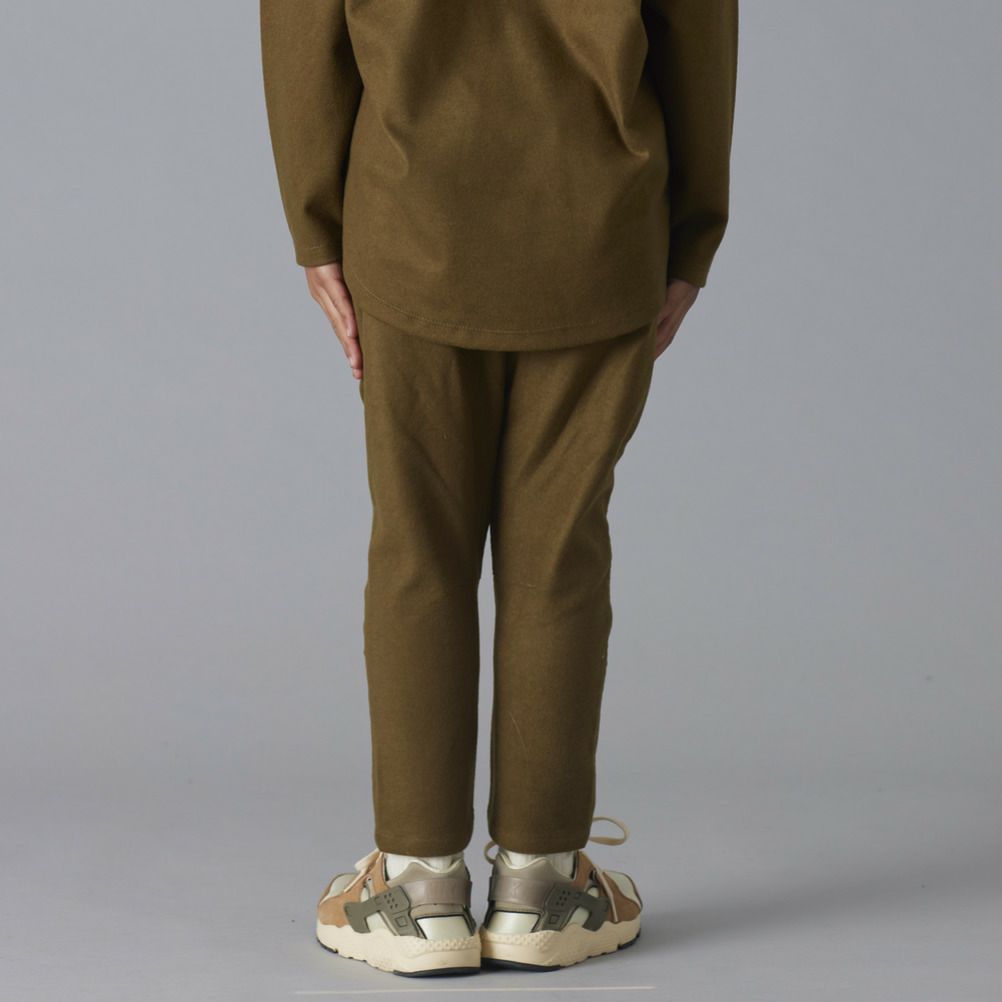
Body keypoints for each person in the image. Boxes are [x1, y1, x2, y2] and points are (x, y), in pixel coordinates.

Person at [261, 0, 738, 977]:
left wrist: (317, 226)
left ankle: (416, 890)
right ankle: (542, 886)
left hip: (411, 223)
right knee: (559, 556)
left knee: (418, 550)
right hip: (599, 225)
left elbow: (304, 24)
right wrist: (691, 237)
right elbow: (699, 30)